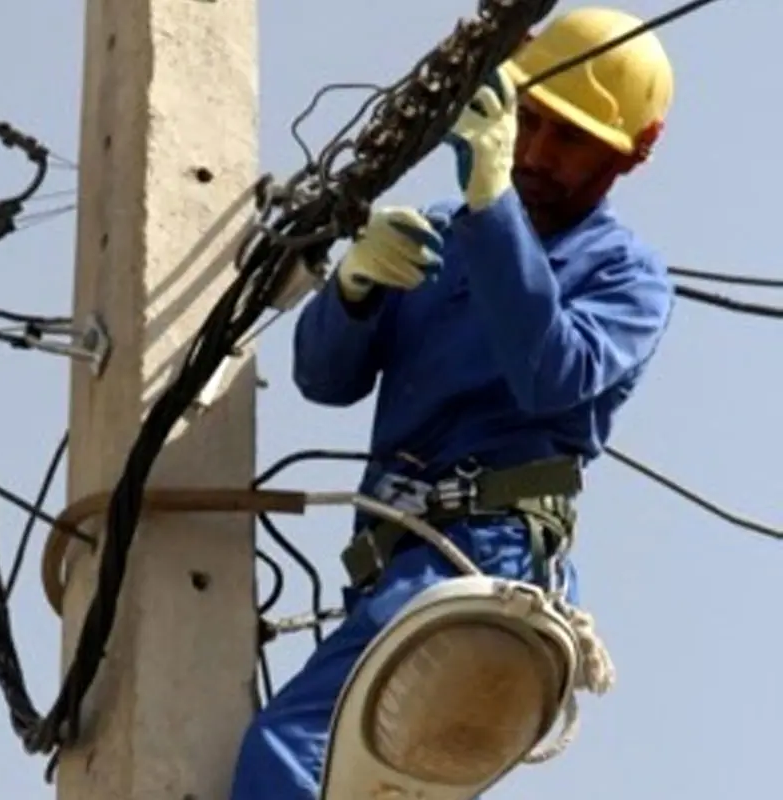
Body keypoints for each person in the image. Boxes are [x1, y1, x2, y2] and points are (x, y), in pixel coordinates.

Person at [230, 7, 676, 799]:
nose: (538, 153)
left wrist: (492, 201)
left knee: (294, 753)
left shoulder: (625, 276)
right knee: (352, 779)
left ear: (633, 156)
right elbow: (323, 379)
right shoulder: (446, 232)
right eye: (531, 122)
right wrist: (355, 289)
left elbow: (552, 373)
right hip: (391, 567)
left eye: (570, 140)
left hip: (485, 555)